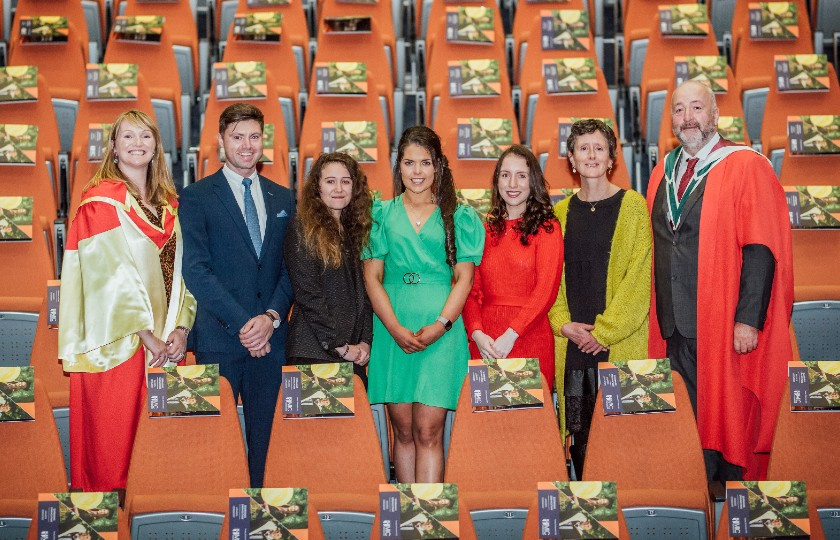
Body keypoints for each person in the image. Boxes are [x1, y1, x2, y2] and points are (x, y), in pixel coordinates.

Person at [648, 80, 794, 480]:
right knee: (684, 422)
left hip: (720, 319)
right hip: (672, 322)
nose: (688, 118)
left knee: (722, 418)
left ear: (715, 115)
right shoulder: (663, 171)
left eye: (697, 108)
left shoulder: (746, 165)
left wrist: (748, 319)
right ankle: (692, 496)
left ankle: (723, 500)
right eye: (679, 110)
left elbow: (761, 248)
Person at [58, 110, 195, 491]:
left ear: (156, 147)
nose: (138, 143)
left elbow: (186, 270)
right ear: (113, 148)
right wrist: (145, 333)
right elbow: (109, 277)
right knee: (115, 449)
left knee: (158, 452)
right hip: (118, 343)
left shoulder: (170, 204)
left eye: (146, 136)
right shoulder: (99, 202)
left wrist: (183, 325)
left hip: (165, 342)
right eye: (128, 137)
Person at [180, 103, 294, 487]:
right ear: (220, 141)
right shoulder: (195, 197)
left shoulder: (284, 199)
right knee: (218, 446)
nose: (247, 145)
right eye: (237, 136)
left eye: (254, 137)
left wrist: (271, 318)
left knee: (269, 446)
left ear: (265, 141)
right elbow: (196, 270)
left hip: (272, 341)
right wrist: (246, 324)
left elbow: (290, 269)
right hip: (219, 338)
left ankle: (262, 520)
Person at [362, 126, 484, 482]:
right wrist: (396, 329)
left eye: (425, 163)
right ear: (398, 167)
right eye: (409, 162)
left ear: (438, 168)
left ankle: (428, 519)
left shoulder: (459, 216)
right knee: (402, 433)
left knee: (428, 432)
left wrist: (441, 325)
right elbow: (372, 277)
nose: (417, 171)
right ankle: (406, 520)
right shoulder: (380, 214)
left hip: (441, 335)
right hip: (392, 331)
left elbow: (464, 278)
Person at [548, 119, 652, 477]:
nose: (591, 155)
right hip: (574, 343)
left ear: (611, 158)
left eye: (599, 148)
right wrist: (563, 326)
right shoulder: (558, 214)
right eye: (583, 148)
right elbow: (551, 282)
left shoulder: (634, 207)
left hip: (617, 342)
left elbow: (638, 281)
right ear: (571, 159)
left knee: (622, 444)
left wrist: (603, 333)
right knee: (581, 440)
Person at [463, 145, 563, 388]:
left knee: (529, 425)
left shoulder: (548, 228)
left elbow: (546, 290)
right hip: (486, 344)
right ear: (497, 180)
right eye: (505, 175)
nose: (512, 184)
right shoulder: (484, 230)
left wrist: (512, 334)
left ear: (533, 182)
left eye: (521, 175)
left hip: (529, 338)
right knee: (488, 425)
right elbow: (470, 289)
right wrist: (477, 334)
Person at [284, 152, 373, 386]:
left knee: (356, 425)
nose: (339, 188)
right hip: (313, 353)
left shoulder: (352, 229)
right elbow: (308, 295)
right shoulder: (302, 227)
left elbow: (363, 294)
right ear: (318, 187)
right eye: (330, 181)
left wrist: (365, 341)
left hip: (352, 354)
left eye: (345, 181)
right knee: (315, 425)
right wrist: (340, 347)